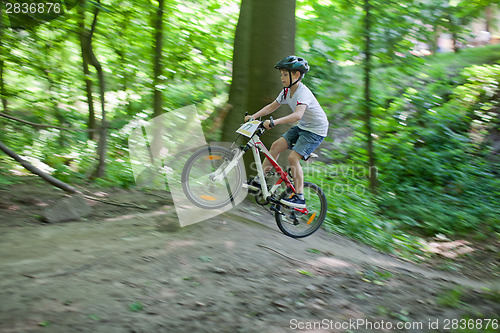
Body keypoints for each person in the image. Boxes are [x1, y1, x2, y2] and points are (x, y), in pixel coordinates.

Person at [244, 55, 329, 208]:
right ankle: (259, 181)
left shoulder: (303, 93)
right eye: (281, 74)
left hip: (316, 131)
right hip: (303, 126)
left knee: (292, 158)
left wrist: (274, 122)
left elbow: (297, 115)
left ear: (296, 75)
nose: (282, 78)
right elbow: (271, 107)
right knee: (275, 147)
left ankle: (300, 197)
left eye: (285, 74)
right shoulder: (286, 91)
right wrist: (254, 116)